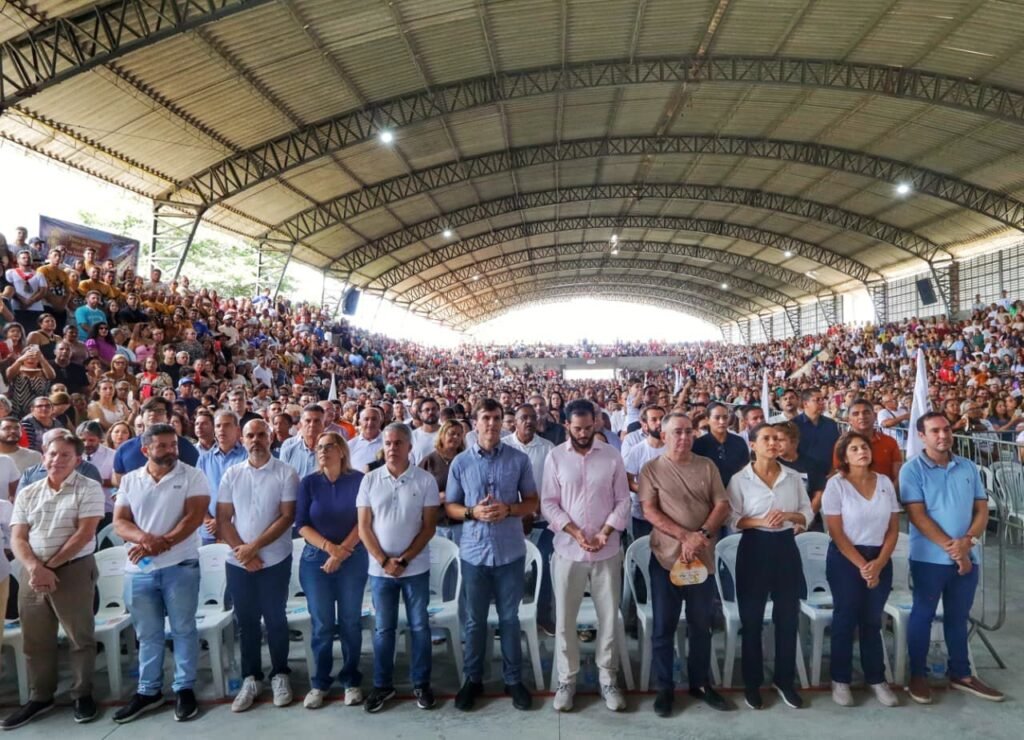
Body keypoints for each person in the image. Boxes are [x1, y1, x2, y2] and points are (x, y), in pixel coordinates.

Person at [900, 412, 1003, 704]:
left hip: (968, 556)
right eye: (935, 431)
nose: (943, 435)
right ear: (922, 436)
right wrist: (953, 548)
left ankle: (962, 673)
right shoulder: (912, 470)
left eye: (946, 429)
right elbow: (918, 516)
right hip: (929, 559)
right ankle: (917, 675)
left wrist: (967, 542)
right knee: (923, 614)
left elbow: (982, 510)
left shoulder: (968, 466)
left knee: (958, 617)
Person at [2, 432, 104, 730]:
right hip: (32, 572)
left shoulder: (89, 488)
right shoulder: (28, 492)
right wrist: (35, 567)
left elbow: (84, 533)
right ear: (44, 455)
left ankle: (82, 694)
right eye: (53, 454)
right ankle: (40, 696)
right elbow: (18, 536)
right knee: (35, 639)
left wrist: (49, 567)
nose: (57, 460)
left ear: (77, 460)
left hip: (73, 569)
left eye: (65, 456)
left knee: (79, 637)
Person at [112, 424, 210, 724]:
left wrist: (161, 543)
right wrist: (146, 541)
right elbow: (120, 522)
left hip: (180, 566)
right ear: (146, 450)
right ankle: (149, 690)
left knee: (183, 629)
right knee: (148, 634)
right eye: (163, 446)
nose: (171, 451)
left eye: (173, 445)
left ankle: (184, 687)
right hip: (140, 570)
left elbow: (193, 517)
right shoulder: (130, 480)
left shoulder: (192, 475)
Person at [445, 398, 539, 712]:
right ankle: (473, 679)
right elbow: (451, 507)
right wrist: (473, 512)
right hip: (474, 554)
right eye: (486, 418)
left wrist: (509, 509)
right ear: (475, 422)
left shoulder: (518, 459)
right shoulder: (461, 463)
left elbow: (532, 502)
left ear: (503, 422)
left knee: (509, 619)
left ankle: (513, 680)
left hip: (510, 552)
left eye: (497, 418)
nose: (492, 423)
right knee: (474, 622)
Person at [638, 412, 731, 717]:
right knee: (663, 626)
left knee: (701, 625)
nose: (684, 437)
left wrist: (701, 535)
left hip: (701, 559)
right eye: (677, 432)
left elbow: (722, 504)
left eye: (689, 431)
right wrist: (684, 537)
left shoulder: (707, 466)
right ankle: (665, 687)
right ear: (663, 435)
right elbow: (649, 511)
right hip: (665, 560)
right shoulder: (651, 469)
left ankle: (700, 683)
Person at [541, 400, 630, 713]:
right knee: (565, 618)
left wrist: (606, 531)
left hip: (606, 549)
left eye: (588, 427)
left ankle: (608, 678)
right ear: (567, 425)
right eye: (576, 428)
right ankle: (568, 679)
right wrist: (576, 533)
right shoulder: (555, 458)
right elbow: (549, 503)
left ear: (597, 424)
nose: (582, 433)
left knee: (608, 616)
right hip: (568, 550)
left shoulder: (612, 456)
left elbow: (623, 500)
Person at [727, 423, 813, 711]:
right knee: (751, 620)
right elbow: (733, 519)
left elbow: (807, 513)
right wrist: (760, 521)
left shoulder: (792, 477)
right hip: (754, 547)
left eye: (777, 439)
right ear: (752, 444)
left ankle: (784, 680)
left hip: (786, 548)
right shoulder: (741, 479)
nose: (773, 443)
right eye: (766, 438)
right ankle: (752, 683)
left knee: (787, 617)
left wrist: (790, 515)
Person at [357, 423, 440, 713]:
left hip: (414, 569)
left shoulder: (425, 480)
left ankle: (421, 683)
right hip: (380, 571)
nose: (392, 448)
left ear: (409, 447)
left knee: (419, 627)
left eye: (398, 443)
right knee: (383, 629)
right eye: (388, 443)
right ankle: (382, 685)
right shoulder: (369, 480)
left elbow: (429, 527)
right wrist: (383, 560)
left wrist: (403, 560)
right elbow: (364, 527)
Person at [216, 419, 298, 712]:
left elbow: (287, 516)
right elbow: (223, 518)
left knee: (275, 618)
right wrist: (243, 551)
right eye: (250, 435)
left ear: (271, 437)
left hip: (274, 558)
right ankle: (251, 677)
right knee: (246, 621)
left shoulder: (286, 473)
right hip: (239, 561)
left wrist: (255, 548)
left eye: (261, 434)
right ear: (241, 438)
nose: (256, 440)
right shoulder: (232, 473)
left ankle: (280, 673)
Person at [822, 432, 901, 708]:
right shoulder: (836, 485)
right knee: (845, 618)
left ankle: (876, 678)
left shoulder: (884, 483)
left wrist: (878, 564)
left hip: (879, 557)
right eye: (854, 449)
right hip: (846, 558)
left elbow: (893, 528)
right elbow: (836, 531)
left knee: (872, 620)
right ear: (844, 456)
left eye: (864, 447)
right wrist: (862, 566)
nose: (861, 452)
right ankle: (840, 679)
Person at [294, 431, 367, 709]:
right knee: (322, 624)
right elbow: (301, 524)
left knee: (350, 622)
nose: (322, 451)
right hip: (316, 561)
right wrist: (330, 548)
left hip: (352, 558)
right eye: (319, 447)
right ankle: (320, 682)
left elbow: (364, 521)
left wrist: (343, 551)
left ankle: (351, 680)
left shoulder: (358, 480)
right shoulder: (309, 483)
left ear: (342, 451)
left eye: (329, 446)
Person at [504, 403, 556, 634]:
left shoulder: (548, 448)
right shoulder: (503, 447)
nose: (528, 421)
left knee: (544, 564)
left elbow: (554, 485)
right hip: (510, 519)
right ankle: (509, 617)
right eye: (523, 417)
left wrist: (535, 509)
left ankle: (542, 615)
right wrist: (518, 511)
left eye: (532, 418)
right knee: (510, 566)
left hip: (542, 519)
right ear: (514, 421)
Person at [112, 398, 199, 485]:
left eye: (160, 411)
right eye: (149, 410)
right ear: (142, 416)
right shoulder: (125, 449)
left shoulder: (186, 448)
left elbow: (193, 481)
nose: (153, 413)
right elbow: (119, 481)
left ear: (168, 418)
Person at [196, 410, 247, 545]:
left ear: (237, 430)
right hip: (209, 530)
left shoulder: (247, 457)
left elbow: (250, 496)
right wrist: (208, 521)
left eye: (227, 425)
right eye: (218, 426)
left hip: (239, 529)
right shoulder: (204, 460)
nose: (221, 429)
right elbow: (196, 494)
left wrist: (222, 522)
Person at [831, 398, 902, 493]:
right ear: (849, 420)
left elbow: (897, 476)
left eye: (866, 412)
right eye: (856, 414)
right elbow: (840, 474)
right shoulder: (842, 444)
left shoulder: (889, 442)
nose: (862, 417)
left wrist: (886, 495)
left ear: (874, 416)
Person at [692, 402, 749, 488]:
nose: (722, 422)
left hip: (737, 492)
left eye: (725, 417)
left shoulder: (739, 442)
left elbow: (746, 470)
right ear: (708, 420)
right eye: (717, 418)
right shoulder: (698, 445)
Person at [279, 403, 324, 479]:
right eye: (308, 421)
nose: (312, 425)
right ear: (300, 424)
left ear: (324, 424)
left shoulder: (332, 449)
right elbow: (281, 478)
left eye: (317, 421)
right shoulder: (289, 448)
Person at [348, 406, 384, 471]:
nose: (370, 423)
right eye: (366, 419)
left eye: (374, 419)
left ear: (380, 422)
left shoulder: (389, 442)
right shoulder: (350, 445)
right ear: (359, 422)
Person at [409, 397, 440, 463]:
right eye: (427, 410)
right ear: (420, 414)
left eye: (434, 409)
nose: (431, 412)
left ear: (438, 411)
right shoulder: (412, 436)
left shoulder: (447, 433)